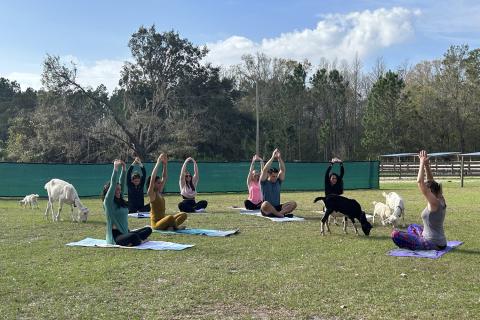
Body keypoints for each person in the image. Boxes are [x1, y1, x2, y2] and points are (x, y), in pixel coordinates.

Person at [391, 150, 447, 250]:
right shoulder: (441, 198)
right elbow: (432, 182)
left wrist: (421, 162)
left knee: (395, 234)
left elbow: (420, 182)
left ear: (430, 190)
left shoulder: (434, 203)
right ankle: (420, 238)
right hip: (440, 242)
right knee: (412, 227)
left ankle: (419, 242)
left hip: (433, 243)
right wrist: (427, 165)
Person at [102, 159, 152, 246]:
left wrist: (124, 168)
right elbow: (113, 183)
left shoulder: (120, 200)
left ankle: (133, 240)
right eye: (116, 190)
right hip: (115, 236)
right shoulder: (108, 202)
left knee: (148, 229)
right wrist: (115, 168)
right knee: (133, 236)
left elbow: (122, 182)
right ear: (110, 191)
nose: (119, 191)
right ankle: (138, 241)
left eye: (120, 189)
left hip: (125, 232)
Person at [148, 153, 187, 230]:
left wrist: (165, 164)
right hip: (156, 224)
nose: (160, 184)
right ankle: (176, 227)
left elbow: (164, 177)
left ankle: (170, 227)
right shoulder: (151, 193)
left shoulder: (159, 192)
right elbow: (152, 178)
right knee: (170, 218)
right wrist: (158, 162)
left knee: (183, 214)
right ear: (154, 184)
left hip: (164, 221)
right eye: (158, 183)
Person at [259, 148, 297, 218]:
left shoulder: (278, 181)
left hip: (277, 207)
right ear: (268, 175)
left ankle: (278, 214)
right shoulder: (263, 182)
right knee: (265, 203)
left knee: (293, 204)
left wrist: (279, 158)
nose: (275, 178)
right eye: (273, 176)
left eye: (276, 176)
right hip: (267, 209)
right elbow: (265, 170)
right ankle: (278, 214)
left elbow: (283, 170)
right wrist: (273, 157)